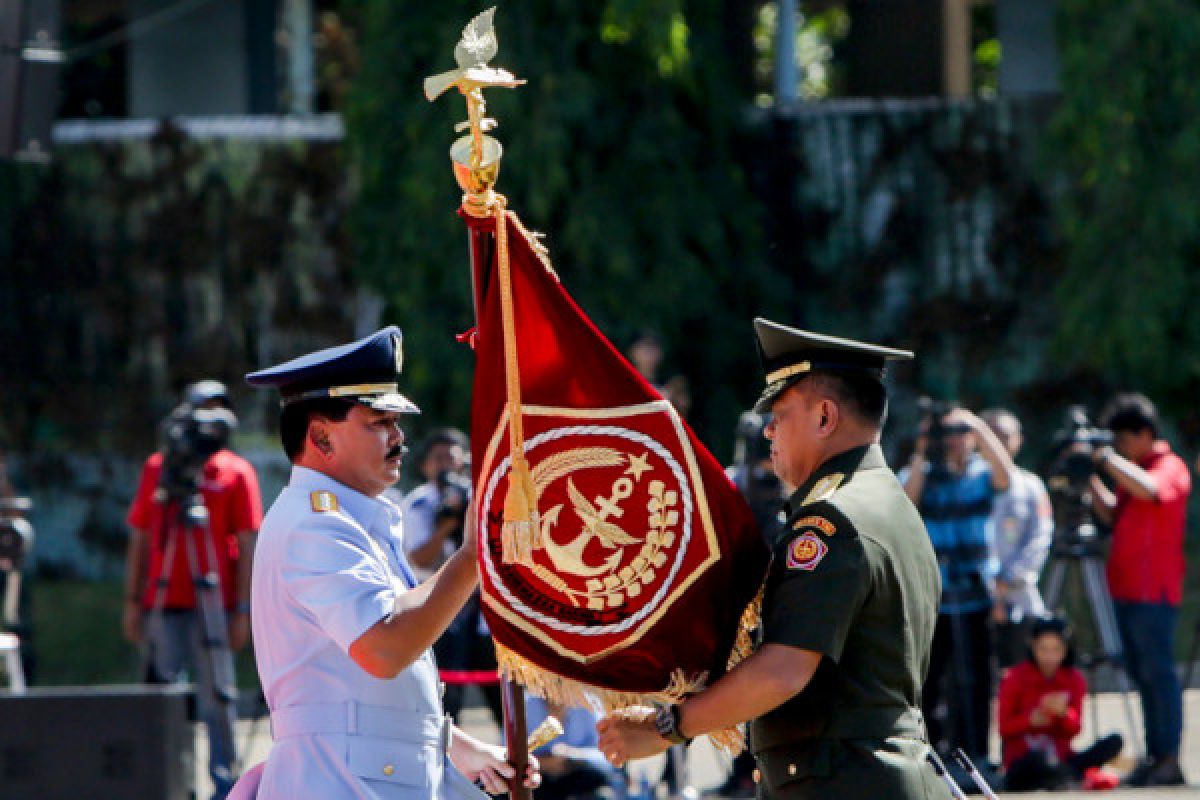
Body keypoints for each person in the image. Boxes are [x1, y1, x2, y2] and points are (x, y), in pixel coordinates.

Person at [598, 318, 949, 799]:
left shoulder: (830, 521)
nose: (768, 432)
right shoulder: (889, 503)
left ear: (825, 417)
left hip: (843, 781)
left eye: (780, 414)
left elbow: (783, 670)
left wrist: (667, 726)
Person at [243, 326, 538, 799]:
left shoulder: (350, 519)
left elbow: (358, 698)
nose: (398, 437)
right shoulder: (314, 524)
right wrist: (471, 558)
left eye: (397, 421)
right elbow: (383, 649)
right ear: (320, 436)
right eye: (378, 422)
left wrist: (452, 744)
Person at [122, 379, 262, 799]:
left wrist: (243, 609)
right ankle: (158, 777)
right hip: (164, 603)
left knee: (218, 696)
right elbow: (141, 536)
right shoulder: (159, 467)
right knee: (160, 693)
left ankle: (224, 784)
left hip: (214, 604)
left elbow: (248, 542)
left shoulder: (237, 472)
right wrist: (132, 601)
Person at [899, 403, 1014, 761]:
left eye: (961, 433)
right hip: (935, 597)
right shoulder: (925, 473)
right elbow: (906, 502)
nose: (955, 440)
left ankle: (976, 750)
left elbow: (1006, 476)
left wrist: (977, 424)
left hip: (975, 593)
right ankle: (931, 755)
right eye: (949, 433)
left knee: (978, 678)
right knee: (931, 681)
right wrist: (922, 448)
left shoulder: (981, 475)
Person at [1090, 393, 1189, 787]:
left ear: (1145, 434)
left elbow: (1152, 490)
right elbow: (1115, 514)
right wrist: (1090, 479)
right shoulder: (1132, 469)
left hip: (1155, 592)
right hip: (1127, 589)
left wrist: (1105, 460)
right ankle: (1154, 754)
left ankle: (1168, 757)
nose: (1119, 448)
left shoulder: (1169, 465)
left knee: (1158, 674)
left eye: (1123, 440)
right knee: (1142, 675)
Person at [402, 428, 503, 726]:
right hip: (441, 607)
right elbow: (419, 558)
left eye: (452, 456)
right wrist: (447, 525)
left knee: (503, 694)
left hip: (482, 611)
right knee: (448, 698)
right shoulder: (416, 504)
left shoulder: (479, 496)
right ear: (425, 465)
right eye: (438, 458)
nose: (446, 464)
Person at [996, 615, 1122, 791]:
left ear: (1065, 650)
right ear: (1033, 647)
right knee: (1039, 761)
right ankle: (1064, 776)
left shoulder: (1074, 679)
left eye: (1056, 649)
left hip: (1061, 757)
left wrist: (1064, 714)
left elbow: (1075, 730)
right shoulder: (1014, 677)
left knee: (1114, 741)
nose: (1049, 656)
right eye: (1043, 649)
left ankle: (1063, 775)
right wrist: (1029, 720)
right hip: (1025, 760)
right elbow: (1004, 728)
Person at [980, 409, 1053, 665]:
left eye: (1005, 435)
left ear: (1018, 440)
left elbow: (1040, 537)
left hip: (1019, 598)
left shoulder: (1031, 485)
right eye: (993, 435)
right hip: (976, 598)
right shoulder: (971, 482)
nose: (999, 442)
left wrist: (1009, 578)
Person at [525, 696, 625, 800]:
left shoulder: (587, 705)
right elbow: (510, 755)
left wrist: (571, 756)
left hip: (580, 777)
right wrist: (543, 762)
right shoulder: (525, 705)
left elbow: (605, 757)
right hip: (538, 780)